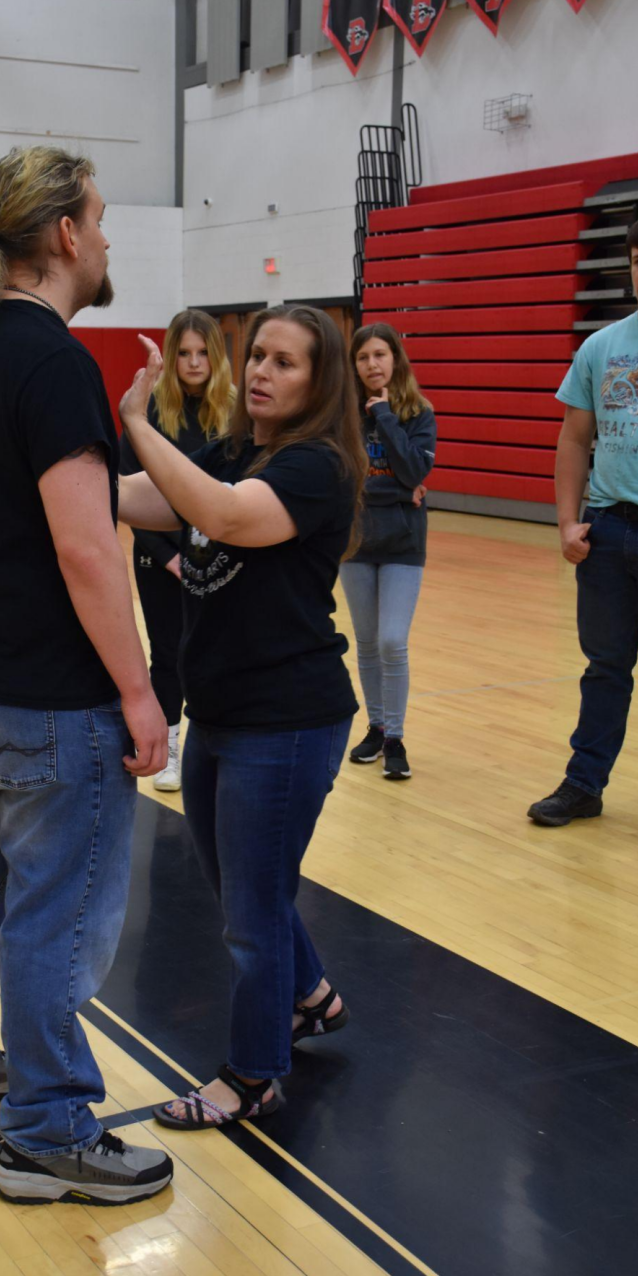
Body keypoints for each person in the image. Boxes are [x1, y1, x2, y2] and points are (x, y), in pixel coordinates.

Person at [0, 145, 173, 1206]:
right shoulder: (57, 360)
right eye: (100, 218)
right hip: (48, 703)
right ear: (63, 234)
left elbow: (57, 503)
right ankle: (48, 1129)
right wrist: (141, 688)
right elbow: (83, 545)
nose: (108, 236)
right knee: (56, 913)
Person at [117, 305, 365, 1129]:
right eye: (256, 354)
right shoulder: (240, 449)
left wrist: (130, 420)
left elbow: (219, 515)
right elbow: (156, 499)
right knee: (241, 889)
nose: (261, 370)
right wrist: (64, 480)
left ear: (319, 380)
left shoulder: (316, 468)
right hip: (225, 710)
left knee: (252, 915)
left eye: (284, 362)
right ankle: (313, 997)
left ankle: (254, 1075)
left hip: (288, 721)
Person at [528, 208, 638, 841]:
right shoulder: (601, 347)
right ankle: (584, 785)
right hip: (608, 533)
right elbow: (572, 439)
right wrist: (566, 522)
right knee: (603, 670)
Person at [120, 309, 235, 791]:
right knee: (167, 653)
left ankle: (218, 743)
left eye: (201, 352)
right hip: (158, 557)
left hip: (217, 555)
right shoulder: (150, 411)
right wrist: (171, 558)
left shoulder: (233, 412)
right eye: (183, 353)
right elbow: (127, 493)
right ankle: (168, 747)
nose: (193, 362)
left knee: (216, 650)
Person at [339, 323, 436, 780]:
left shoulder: (418, 413)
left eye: (380, 354)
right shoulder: (342, 414)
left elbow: (415, 468)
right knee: (366, 642)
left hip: (403, 543)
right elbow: (341, 476)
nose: (372, 364)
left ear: (395, 359)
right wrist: (396, 491)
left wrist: (386, 418)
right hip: (356, 540)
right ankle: (375, 726)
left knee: (392, 640)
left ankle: (395, 737)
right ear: (354, 365)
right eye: (363, 357)